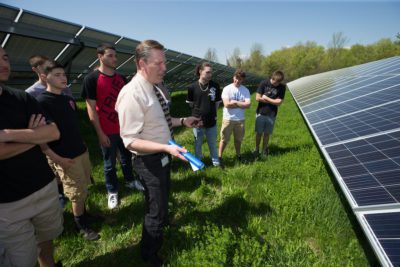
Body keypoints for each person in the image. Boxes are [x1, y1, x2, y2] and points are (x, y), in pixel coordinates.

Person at [115, 39, 201, 266]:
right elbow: (130, 141)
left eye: (165, 62)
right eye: (159, 63)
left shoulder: (153, 87)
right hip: (149, 161)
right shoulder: (131, 94)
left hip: (162, 155)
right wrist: (165, 147)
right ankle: (150, 255)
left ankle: (161, 223)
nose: (165, 68)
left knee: (161, 200)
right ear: (142, 63)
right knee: (156, 209)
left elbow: (159, 121)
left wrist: (183, 120)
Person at [0, 47, 63, 267]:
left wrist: (7, 135)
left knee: (47, 239)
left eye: (5, 57)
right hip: (8, 202)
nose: (3, 62)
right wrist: (33, 136)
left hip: (43, 186)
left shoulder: (21, 97)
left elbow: (53, 132)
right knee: (21, 258)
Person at [37, 61, 100, 241]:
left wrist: (82, 144)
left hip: (80, 151)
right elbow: (41, 138)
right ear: (44, 77)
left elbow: (71, 126)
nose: (63, 78)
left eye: (63, 74)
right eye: (57, 75)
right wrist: (57, 159)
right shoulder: (41, 102)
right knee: (75, 192)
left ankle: (83, 214)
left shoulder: (68, 99)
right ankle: (81, 225)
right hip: (65, 157)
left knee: (82, 187)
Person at [81, 43, 144, 210]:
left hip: (124, 129)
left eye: (115, 56)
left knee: (126, 158)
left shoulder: (121, 78)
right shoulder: (91, 79)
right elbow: (91, 110)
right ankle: (112, 191)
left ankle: (130, 181)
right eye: (110, 56)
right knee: (109, 164)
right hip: (107, 129)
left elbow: (127, 104)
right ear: (100, 56)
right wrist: (100, 133)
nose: (114, 59)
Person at [26, 55, 72, 209]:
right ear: (35, 70)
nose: (46, 65)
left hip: (71, 142)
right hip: (52, 146)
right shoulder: (31, 94)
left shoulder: (65, 89)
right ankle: (59, 197)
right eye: (41, 64)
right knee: (56, 175)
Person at [186, 62, 221, 167]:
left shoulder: (215, 85)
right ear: (200, 72)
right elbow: (191, 104)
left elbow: (217, 103)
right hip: (197, 122)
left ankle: (216, 164)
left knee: (212, 144)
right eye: (208, 72)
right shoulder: (192, 87)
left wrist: (211, 113)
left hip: (211, 121)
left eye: (211, 72)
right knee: (197, 144)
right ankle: (198, 163)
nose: (210, 74)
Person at [218, 69, 251, 163]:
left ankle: (238, 155)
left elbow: (248, 105)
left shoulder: (245, 90)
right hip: (228, 119)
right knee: (224, 139)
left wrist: (235, 102)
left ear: (243, 80)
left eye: (240, 79)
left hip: (240, 120)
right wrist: (241, 104)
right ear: (233, 77)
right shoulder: (227, 89)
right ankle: (219, 156)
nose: (237, 80)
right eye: (236, 78)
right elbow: (226, 104)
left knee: (238, 140)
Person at [253, 70, 286, 157]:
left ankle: (264, 150)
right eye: (275, 82)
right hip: (261, 112)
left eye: (278, 83)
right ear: (272, 78)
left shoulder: (282, 87)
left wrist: (266, 98)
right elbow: (257, 98)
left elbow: (279, 102)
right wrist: (273, 101)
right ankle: (256, 149)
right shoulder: (264, 83)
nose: (276, 84)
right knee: (258, 133)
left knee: (267, 134)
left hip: (272, 114)